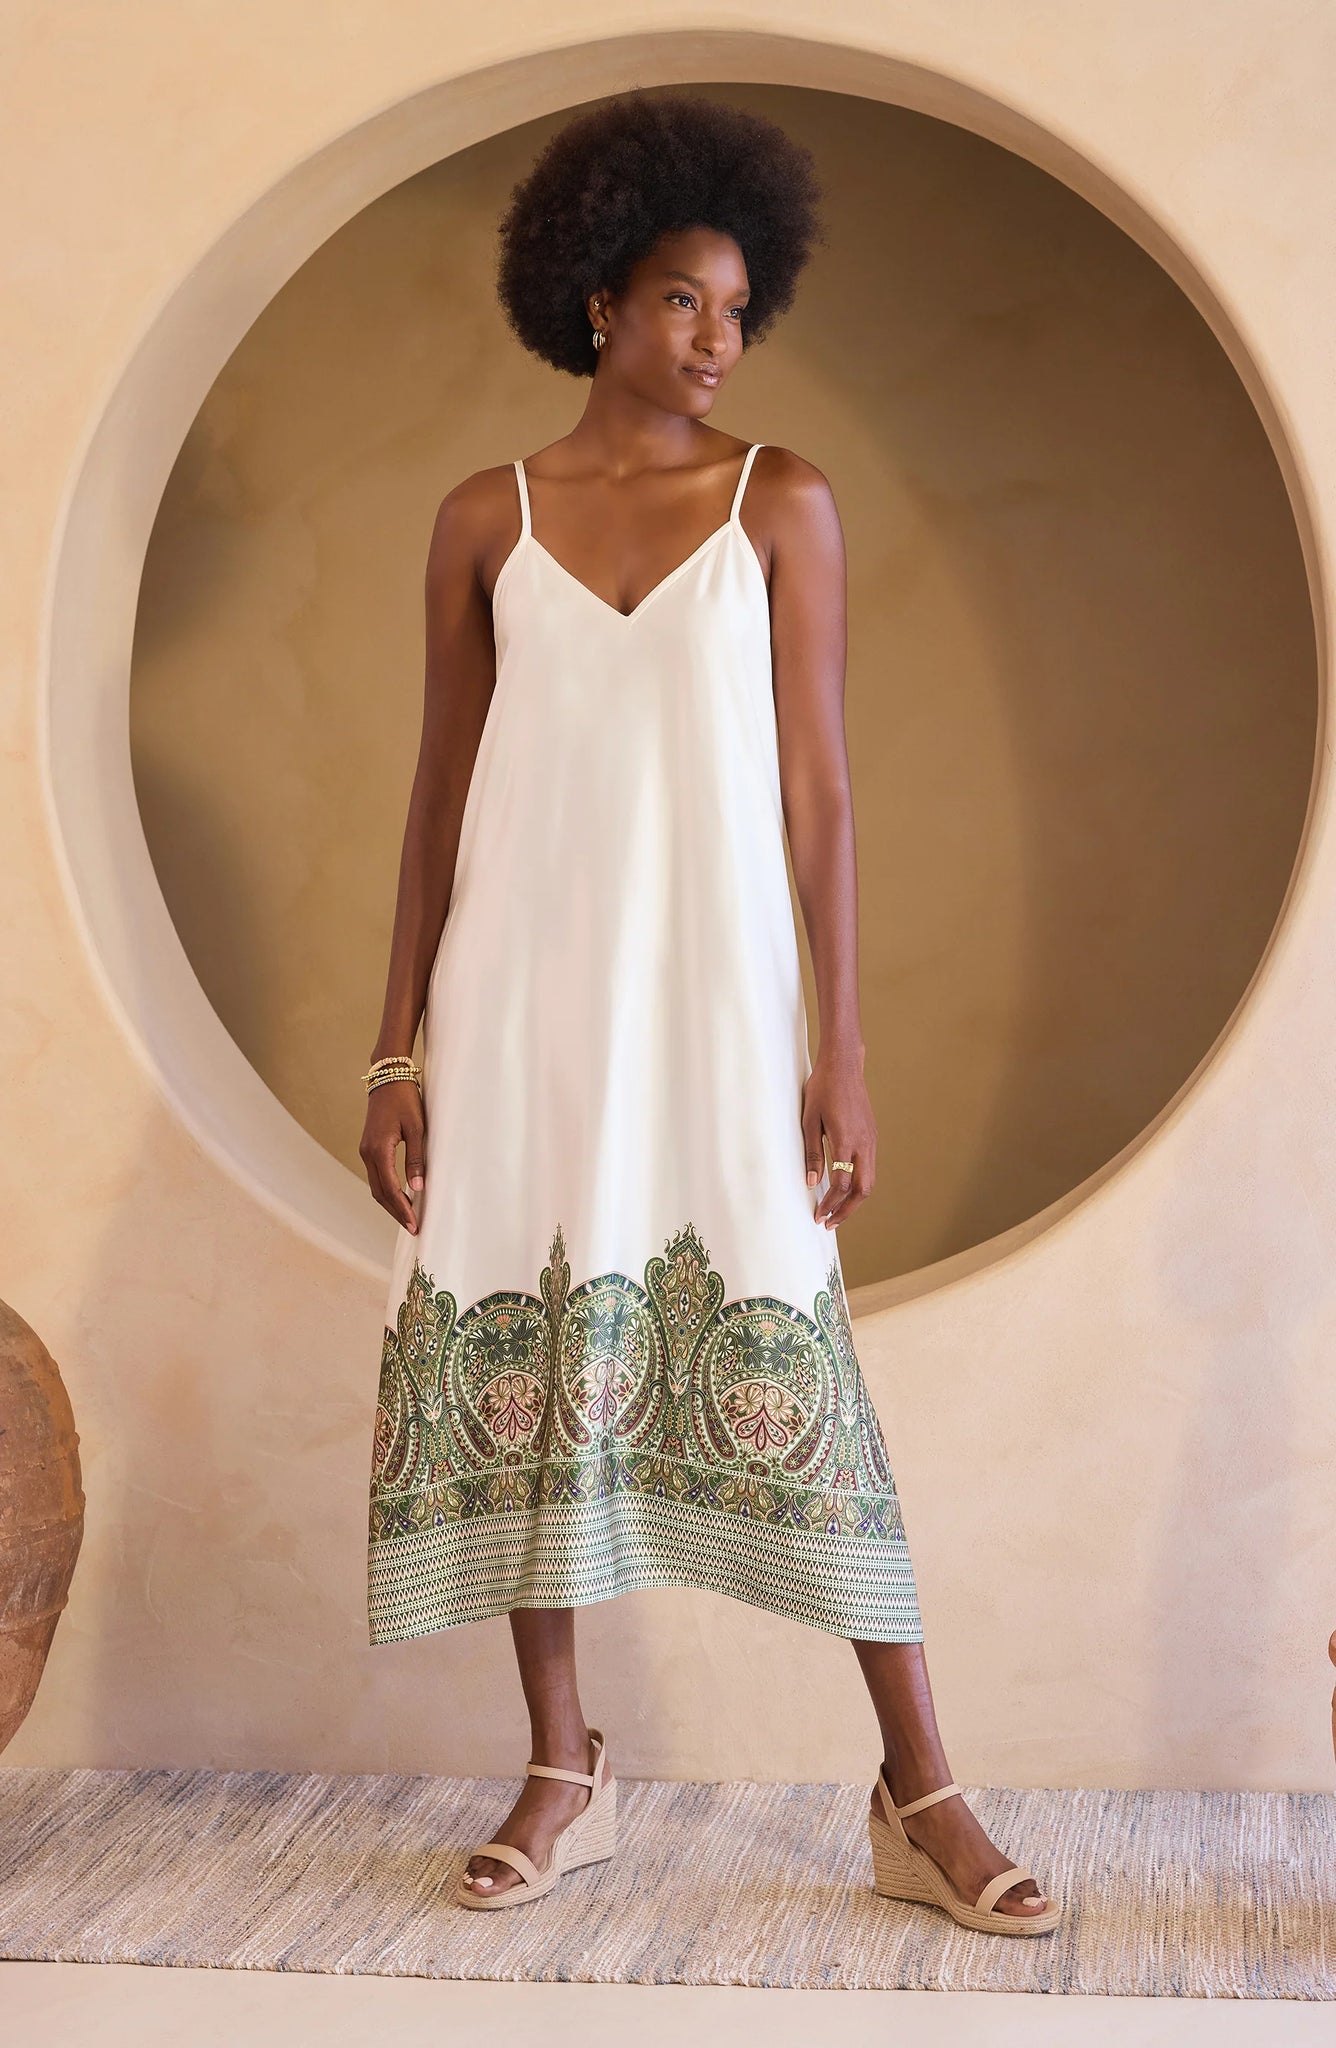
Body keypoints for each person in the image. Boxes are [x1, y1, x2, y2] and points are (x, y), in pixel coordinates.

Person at [360, 88, 1058, 1935]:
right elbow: (436, 802)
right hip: (519, 1005)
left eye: (738, 310)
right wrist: (397, 1050)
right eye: (683, 299)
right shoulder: (483, 519)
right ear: (597, 296)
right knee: (524, 1347)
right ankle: (563, 1771)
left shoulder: (782, 505)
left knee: (796, 1350)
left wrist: (842, 1048)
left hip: (720, 1008)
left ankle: (922, 1791)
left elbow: (820, 794)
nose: (717, 339)